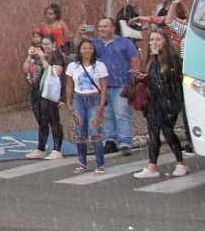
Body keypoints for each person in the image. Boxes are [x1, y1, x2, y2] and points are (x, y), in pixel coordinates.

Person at [133, 30, 189, 179]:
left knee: (168, 131)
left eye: (158, 39)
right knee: (153, 133)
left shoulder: (171, 59)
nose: (154, 43)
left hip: (170, 100)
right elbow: (153, 79)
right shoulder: (151, 59)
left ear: (165, 41)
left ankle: (181, 162)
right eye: (151, 40)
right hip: (154, 101)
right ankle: (152, 166)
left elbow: (170, 79)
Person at [82, 17, 140, 156]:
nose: (102, 29)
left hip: (121, 84)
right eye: (100, 26)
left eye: (105, 26)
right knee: (106, 115)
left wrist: (134, 79)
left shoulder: (124, 43)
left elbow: (134, 59)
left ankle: (125, 142)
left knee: (121, 113)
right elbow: (82, 47)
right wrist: (83, 30)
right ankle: (110, 140)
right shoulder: (95, 44)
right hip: (102, 86)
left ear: (113, 28)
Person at [65, 38, 107, 174]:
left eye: (89, 48)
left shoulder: (99, 66)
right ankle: (82, 163)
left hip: (94, 98)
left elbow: (104, 88)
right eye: (84, 48)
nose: (87, 51)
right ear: (79, 50)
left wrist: (101, 105)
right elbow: (69, 86)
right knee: (80, 132)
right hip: (79, 99)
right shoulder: (73, 66)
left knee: (94, 131)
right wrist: (69, 103)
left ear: (93, 50)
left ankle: (100, 164)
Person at [23, 34, 66, 160]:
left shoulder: (57, 56)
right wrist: (29, 56)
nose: (45, 47)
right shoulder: (36, 55)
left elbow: (55, 72)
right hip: (37, 91)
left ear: (53, 45)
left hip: (50, 92)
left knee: (53, 120)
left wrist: (43, 59)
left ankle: (57, 149)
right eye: (43, 44)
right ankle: (41, 148)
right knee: (41, 120)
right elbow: (26, 69)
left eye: (48, 44)